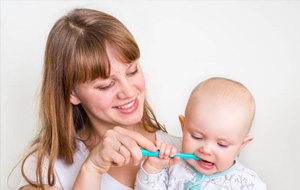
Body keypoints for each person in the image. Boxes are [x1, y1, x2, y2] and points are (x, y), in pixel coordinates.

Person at [18, 8, 181, 190]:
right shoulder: (47, 169)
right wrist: (92, 169)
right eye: (106, 85)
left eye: (132, 71)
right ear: (72, 93)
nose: (128, 91)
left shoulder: (184, 151)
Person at [135, 77, 267, 189]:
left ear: (242, 144)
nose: (206, 150)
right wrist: (153, 168)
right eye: (197, 137)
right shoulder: (171, 164)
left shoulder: (250, 185)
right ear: (183, 126)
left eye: (222, 144)